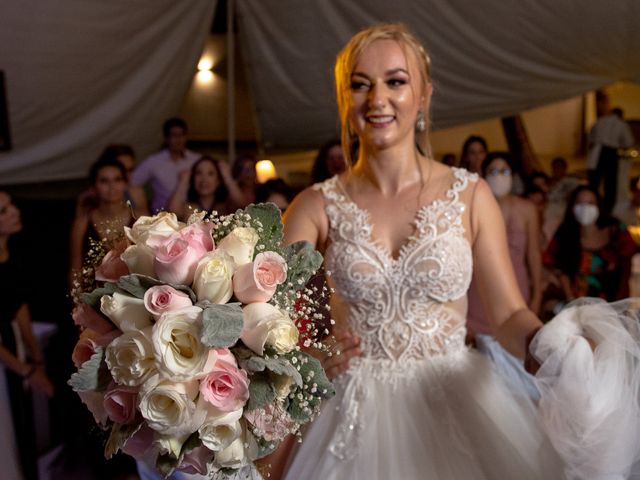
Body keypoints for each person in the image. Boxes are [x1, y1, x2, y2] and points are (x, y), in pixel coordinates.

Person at [269, 23, 640, 480]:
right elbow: (265, 324)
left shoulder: (469, 194)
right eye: (360, 84)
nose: (377, 98)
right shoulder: (314, 205)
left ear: (424, 94)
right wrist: (306, 359)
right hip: (347, 411)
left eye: (395, 81)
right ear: (345, 100)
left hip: (452, 398)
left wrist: (552, 351)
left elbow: (506, 315)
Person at [0, 191, 54, 480]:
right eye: (3, 211)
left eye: (11, 205)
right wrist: (25, 370)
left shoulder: (13, 253)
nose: (14, 212)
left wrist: (37, 358)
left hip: (15, 348)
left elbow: (18, 306)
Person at [544, 185, 636, 302]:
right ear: (572, 207)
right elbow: (559, 267)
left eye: (590, 203)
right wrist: (570, 299)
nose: (584, 208)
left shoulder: (616, 230)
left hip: (612, 303)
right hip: (576, 304)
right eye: (580, 203)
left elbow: (627, 263)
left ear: (599, 206)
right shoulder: (565, 233)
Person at [69, 156, 133, 287]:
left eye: (117, 179)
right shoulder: (82, 222)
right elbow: (75, 269)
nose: (112, 186)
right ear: (93, 187)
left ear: (125, 183)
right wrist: (78, 303)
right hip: (94, 296)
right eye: (104, 181)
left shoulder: (140, 218)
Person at [130, 117, 200, 213]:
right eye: (174, 135)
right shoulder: (154, 162)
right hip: (161, 216)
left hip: (193, 214)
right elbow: (131, 182)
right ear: (166, 138)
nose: (178, 139)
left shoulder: (196, 160)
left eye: (182, 135)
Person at [587, 94, 635, 215]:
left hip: (600, 153)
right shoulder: (619, 124)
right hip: (609, 153)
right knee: (610, 185)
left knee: (596, 183)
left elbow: (591, 140)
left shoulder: (600, 122)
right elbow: (629, 142)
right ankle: (606, 211)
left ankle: (593, 207)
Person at [167, 155, 244, 220]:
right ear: (192, 179)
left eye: (210, 173)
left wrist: (227, 176)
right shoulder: (188, 208)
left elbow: (242, 204)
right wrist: (183, 181)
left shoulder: (226, 206)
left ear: (218, 181)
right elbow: (172, 212)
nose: (204, 179)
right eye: (198, 173)